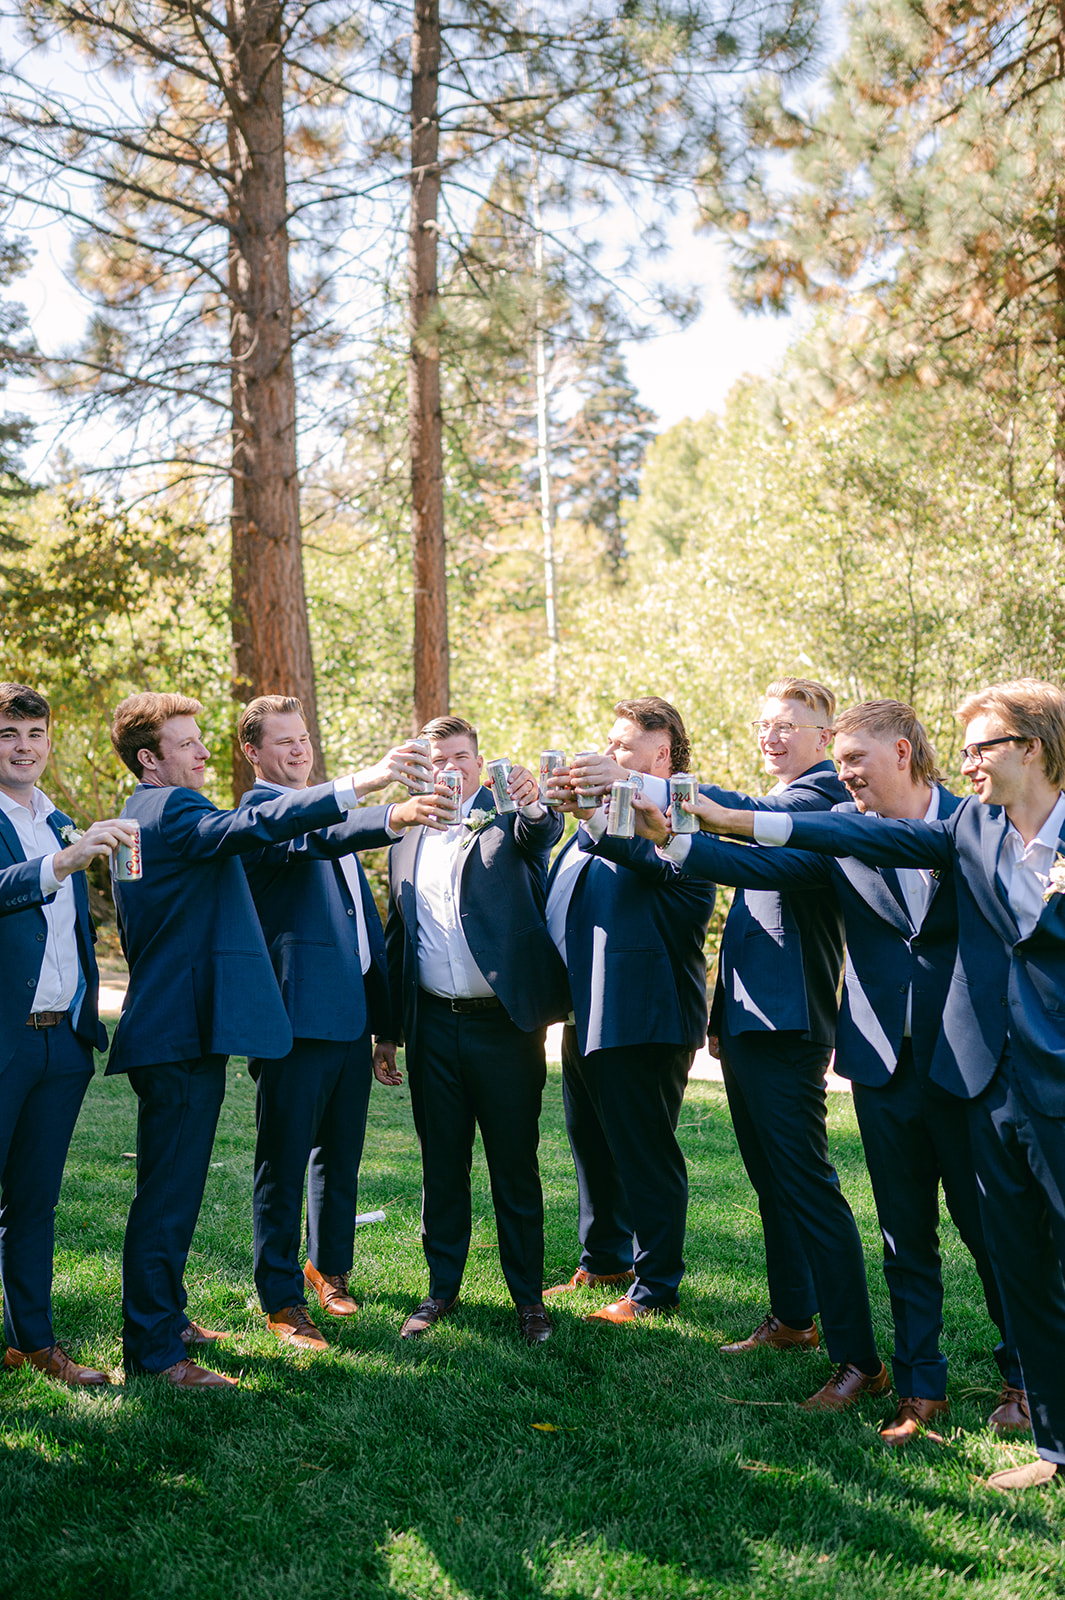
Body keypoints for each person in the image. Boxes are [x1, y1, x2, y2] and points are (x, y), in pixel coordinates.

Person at [688, 678, 1065, 1489]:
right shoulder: (846, 835)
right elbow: (759, 847)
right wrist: (667, 832)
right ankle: (919, 1388)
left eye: (855, 758)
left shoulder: (977, 826)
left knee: (994, 1233)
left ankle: (1024, 1382)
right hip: (876, 1062)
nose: (844, 773)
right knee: (903, 1235)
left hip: (972, 1063)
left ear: (902, 752)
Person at [108, 691, 394, 1388]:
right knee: (167, 1198)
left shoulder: (136, 813)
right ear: (150, 760)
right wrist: (364, 782)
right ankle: (155, 1352)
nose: (204, 752)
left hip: (177, 1025)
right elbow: (257, 823)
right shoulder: (175, 809)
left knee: (169, 1188)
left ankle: (168, 1317)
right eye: (187, 744)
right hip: (178, 1030)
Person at [237, 694, 446, 1352]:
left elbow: (363, 934)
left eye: (303, 739)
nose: (299, 750)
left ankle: (330, 1270)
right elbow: (319, 832)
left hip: (352, 1021)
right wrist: (390, 811)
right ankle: (280, 1297)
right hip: (294, 1022)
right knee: (282, 1160)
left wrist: (385, 1030)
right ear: (252, 752)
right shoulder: (258, 816)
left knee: (340, 1158)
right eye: (283, 742)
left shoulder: (330, 822)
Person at [381, 715, 568, 1345]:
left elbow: (542, 832)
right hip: (432, 1026)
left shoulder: (508, 823)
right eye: (438, 760)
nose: (450, 769)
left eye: (461, 756)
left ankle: (530, 1302)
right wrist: (387, 1033)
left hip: (504, 1030)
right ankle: (440, 1292)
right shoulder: (403, 838)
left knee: (514, 1166)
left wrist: (535, 806)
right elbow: (397, 938)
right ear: (424, 767)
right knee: (442, 1165)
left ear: (478, 759)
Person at [541, 697, 715, 1322]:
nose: (610, 751)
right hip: (585, 1010)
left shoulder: (682, 815)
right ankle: (604, 1257)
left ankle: (656, 1283)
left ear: (661, 752)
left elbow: (671, 880)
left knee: (644, 1152)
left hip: (643, 1011)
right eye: (610, 742)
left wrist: (593, 822)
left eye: (623, 744)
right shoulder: (602, 818)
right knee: (591, 1142)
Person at [0, 683, 135, 1388]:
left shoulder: (61, 819)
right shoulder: (60, 842)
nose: (24, 748)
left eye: (34, 734)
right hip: (2, 1040)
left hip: (62, 1045)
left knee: (33, 1202)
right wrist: (64, 862)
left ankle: (33, 1341)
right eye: (7, 735)